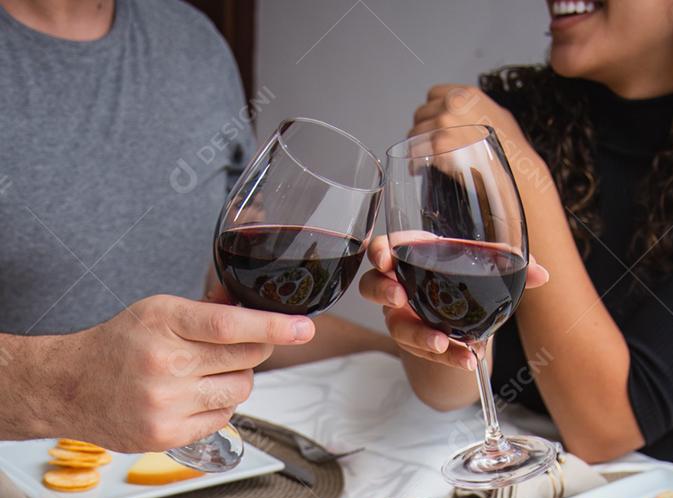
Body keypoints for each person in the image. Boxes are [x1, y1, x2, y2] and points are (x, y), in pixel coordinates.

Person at [0, 0, 389, 452]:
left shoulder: (192, 42)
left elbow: (226, 303)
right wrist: (65, 387)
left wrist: (407, 354)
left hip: (170, 481)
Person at [361, 0, 673, 476]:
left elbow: (601, 431)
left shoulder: (503, 135)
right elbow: (447, 393)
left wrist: (526, 175)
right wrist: (433, 336)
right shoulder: (512, 114)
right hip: (484, 484)